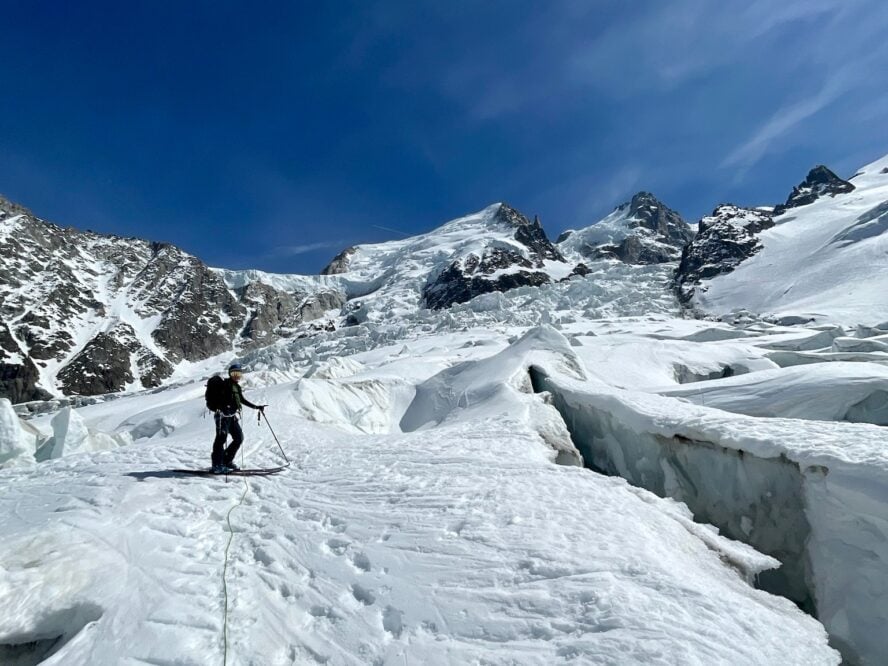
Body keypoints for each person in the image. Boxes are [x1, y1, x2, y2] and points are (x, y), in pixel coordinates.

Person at [211, 363, 267, 473]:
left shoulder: (237, 387)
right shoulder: (225, 385)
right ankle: (217, 465)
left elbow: (242, 400)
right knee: (221, 439)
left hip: (232, 417)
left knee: (239, 438)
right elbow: (218, 400)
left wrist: (256, 407)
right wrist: (222, 407)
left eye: (238, 373)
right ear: (230, 374)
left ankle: (226, 461)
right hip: (222, 417)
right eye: (234, 373)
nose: (236, 375)